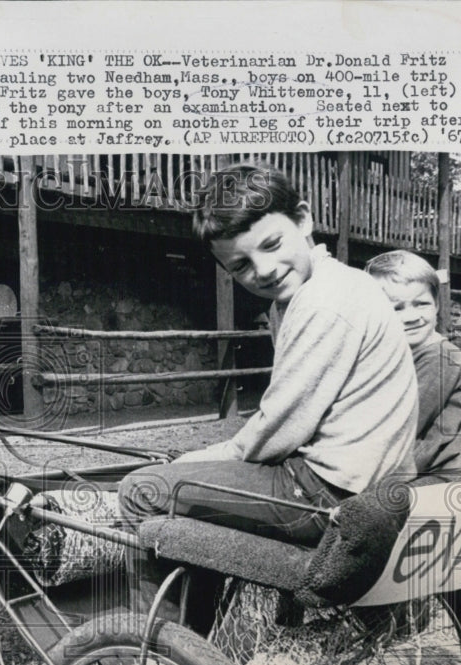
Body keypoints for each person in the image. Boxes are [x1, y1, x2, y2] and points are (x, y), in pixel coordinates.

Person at [118, 164, 419, 626]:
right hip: (368, 483)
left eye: (272, 244)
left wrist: (192, 461)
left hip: (325, 494)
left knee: (144, 489)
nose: (263, 269)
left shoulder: (323, 301)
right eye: (240, 265)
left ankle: (165, 659)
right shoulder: (340, 283)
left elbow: (275, 431)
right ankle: (201, 646)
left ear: (303, 220)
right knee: (197, 486)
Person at [365, 250, 461, 474]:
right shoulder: (401, 353)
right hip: (414, 464)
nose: (411, 317)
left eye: (421, 304)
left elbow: (395, 428)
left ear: (437, 305)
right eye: (396, 308)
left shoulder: (439, 357)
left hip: (442, 475)